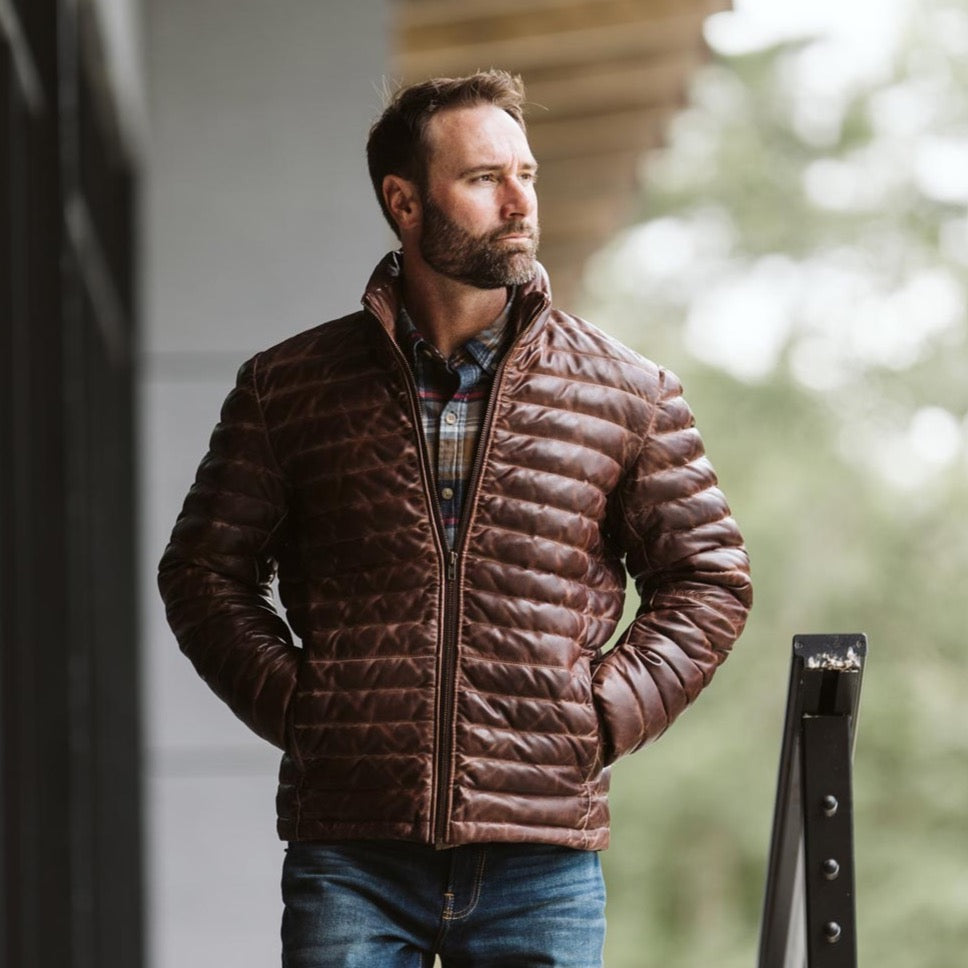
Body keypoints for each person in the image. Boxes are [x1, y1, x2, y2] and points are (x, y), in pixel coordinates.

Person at [158, 70, 752, 968]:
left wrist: (596, 715)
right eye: (483, 179)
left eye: (528, 173)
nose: (520, 201)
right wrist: (309, 709)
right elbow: (202, 573)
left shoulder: (628, 393)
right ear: (404, 202)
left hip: (540, 856)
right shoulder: (289, 389)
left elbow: (709, 577)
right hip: (352, 852)